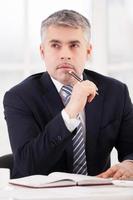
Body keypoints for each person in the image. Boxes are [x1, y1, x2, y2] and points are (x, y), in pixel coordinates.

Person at [3, 9, 133, 179]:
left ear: (88, 51)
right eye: (55, 45)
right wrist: (70, 112)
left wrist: (130, 164)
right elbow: (27, 165)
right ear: (43, 52)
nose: (65, 55)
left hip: (98, 193)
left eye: (74, 45)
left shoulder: (115, 92)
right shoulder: (19, 97)